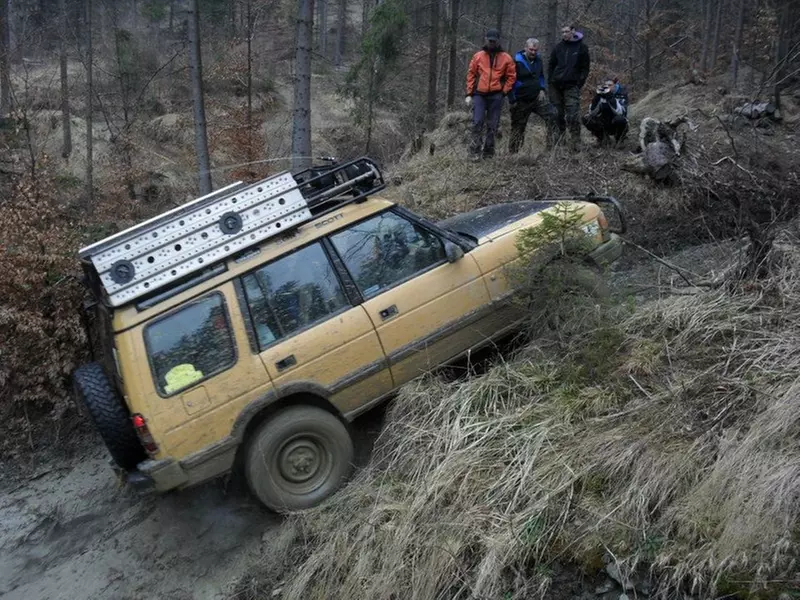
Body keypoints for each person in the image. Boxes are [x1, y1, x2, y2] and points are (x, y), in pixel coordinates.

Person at [465, 29, 516, 159]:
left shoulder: (506, 58)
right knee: (477, 122)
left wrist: (504, 91)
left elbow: (511, 77)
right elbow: (471, 74)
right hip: (479, 94)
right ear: (486, 40)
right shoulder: (478, 56)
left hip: (496, 94)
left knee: (493, 124)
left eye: (494, 40)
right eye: (490, 40)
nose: (492, 43)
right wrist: (469, 93)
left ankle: (488, 152)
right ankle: (474, 151)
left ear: (498, 41)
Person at [508, 38, 557, 153]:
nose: (533, 52)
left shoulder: (538, 60)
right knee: (518, 128)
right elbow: (509, 80)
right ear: (525, 48)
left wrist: (541, 88)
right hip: (520, 100)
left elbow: (540, 76)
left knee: (553, 115)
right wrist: (512, 99)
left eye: (535, 50)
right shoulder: (516, 61)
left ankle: (551, 149)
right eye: (531, 49)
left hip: (536, 98)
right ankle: (513, 154)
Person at [547, 24, 591, 151]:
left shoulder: (582, 48)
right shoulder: (558, 47)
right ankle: (558, 142)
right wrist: (550, 81)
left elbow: (585, 68)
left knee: (572, 114)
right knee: (557, 114)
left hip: (572, 85)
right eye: (562, 32)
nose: (564, 34)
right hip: (555, 85)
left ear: (573, 31)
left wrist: (579, 83)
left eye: (566, 31)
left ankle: (576, 141)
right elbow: (551, 64)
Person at [582, 77, 630, 145]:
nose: (607, 87)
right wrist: (597, 97)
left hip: (617, 123)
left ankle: (619, 140)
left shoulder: (621, 93)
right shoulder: (602, 93)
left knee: (620, 119)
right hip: (604, 122)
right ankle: (603, 139)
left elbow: (620, 112)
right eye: (605, 85)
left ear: (615, 85)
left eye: (610, 85)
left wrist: (610, 97)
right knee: (587, 119)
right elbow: (592, 113)